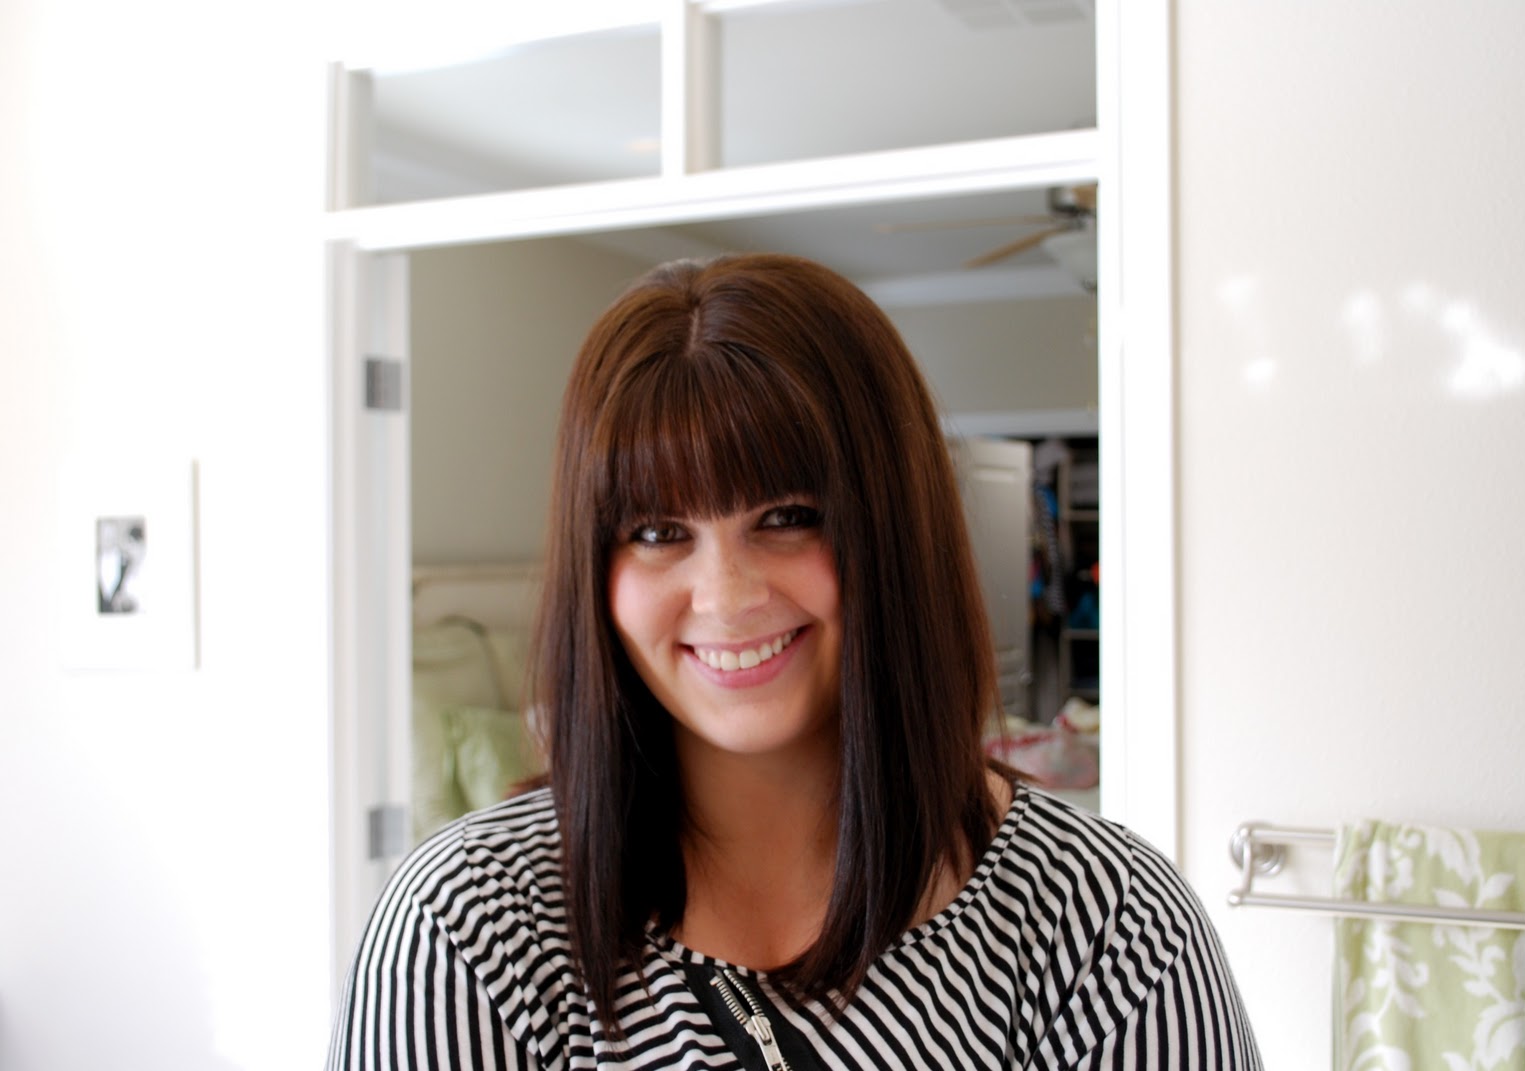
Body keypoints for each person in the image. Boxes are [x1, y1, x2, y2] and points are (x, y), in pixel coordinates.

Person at [328, 254, 1260, 1069]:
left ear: (897, 534)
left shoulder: (1104, 926)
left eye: (787, 517)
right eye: (656, 531)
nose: (725, 595)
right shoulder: (465, 933)